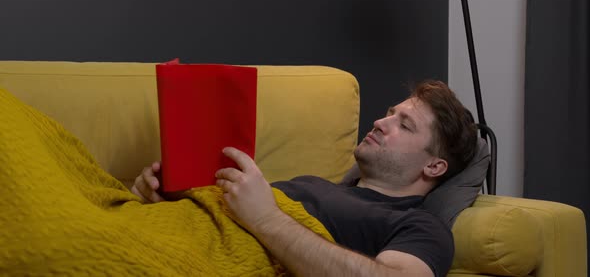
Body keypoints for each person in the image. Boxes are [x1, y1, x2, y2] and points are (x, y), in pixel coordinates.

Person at [131, 80, 478, 277]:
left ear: (434, 166)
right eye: (390, 114)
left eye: (404, 125)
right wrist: (165, 197)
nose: (380, 123)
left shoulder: (420, 226)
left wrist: (266, 218)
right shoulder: (313, 184)